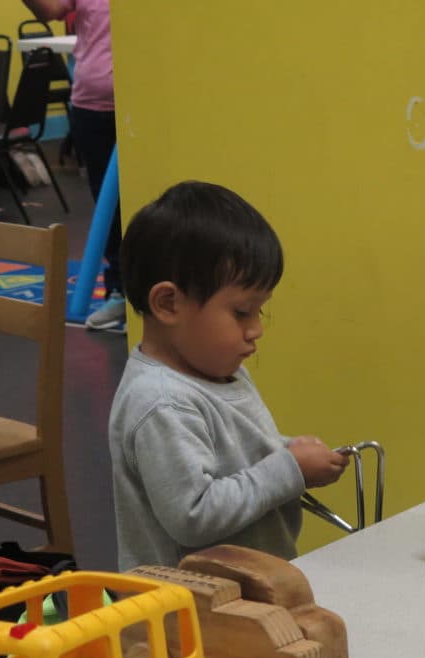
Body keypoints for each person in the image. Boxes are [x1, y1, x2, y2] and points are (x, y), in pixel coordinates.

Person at [108, 181, 349, 570]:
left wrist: (288, 450)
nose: (256, 329)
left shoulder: (221, 371)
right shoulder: (160, 402)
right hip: (188, 616)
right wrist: (289, 468)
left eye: (260, 311)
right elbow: (194, 514)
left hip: (247, 596)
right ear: (169, 304)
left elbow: (231, 455)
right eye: (241, 312)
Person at [21, 0, 125, 330]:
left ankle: (150, 295)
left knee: (146, 204)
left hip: (138, 103)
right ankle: (121, 293)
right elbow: (49, 10)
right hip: (91, 106)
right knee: (107, 205)